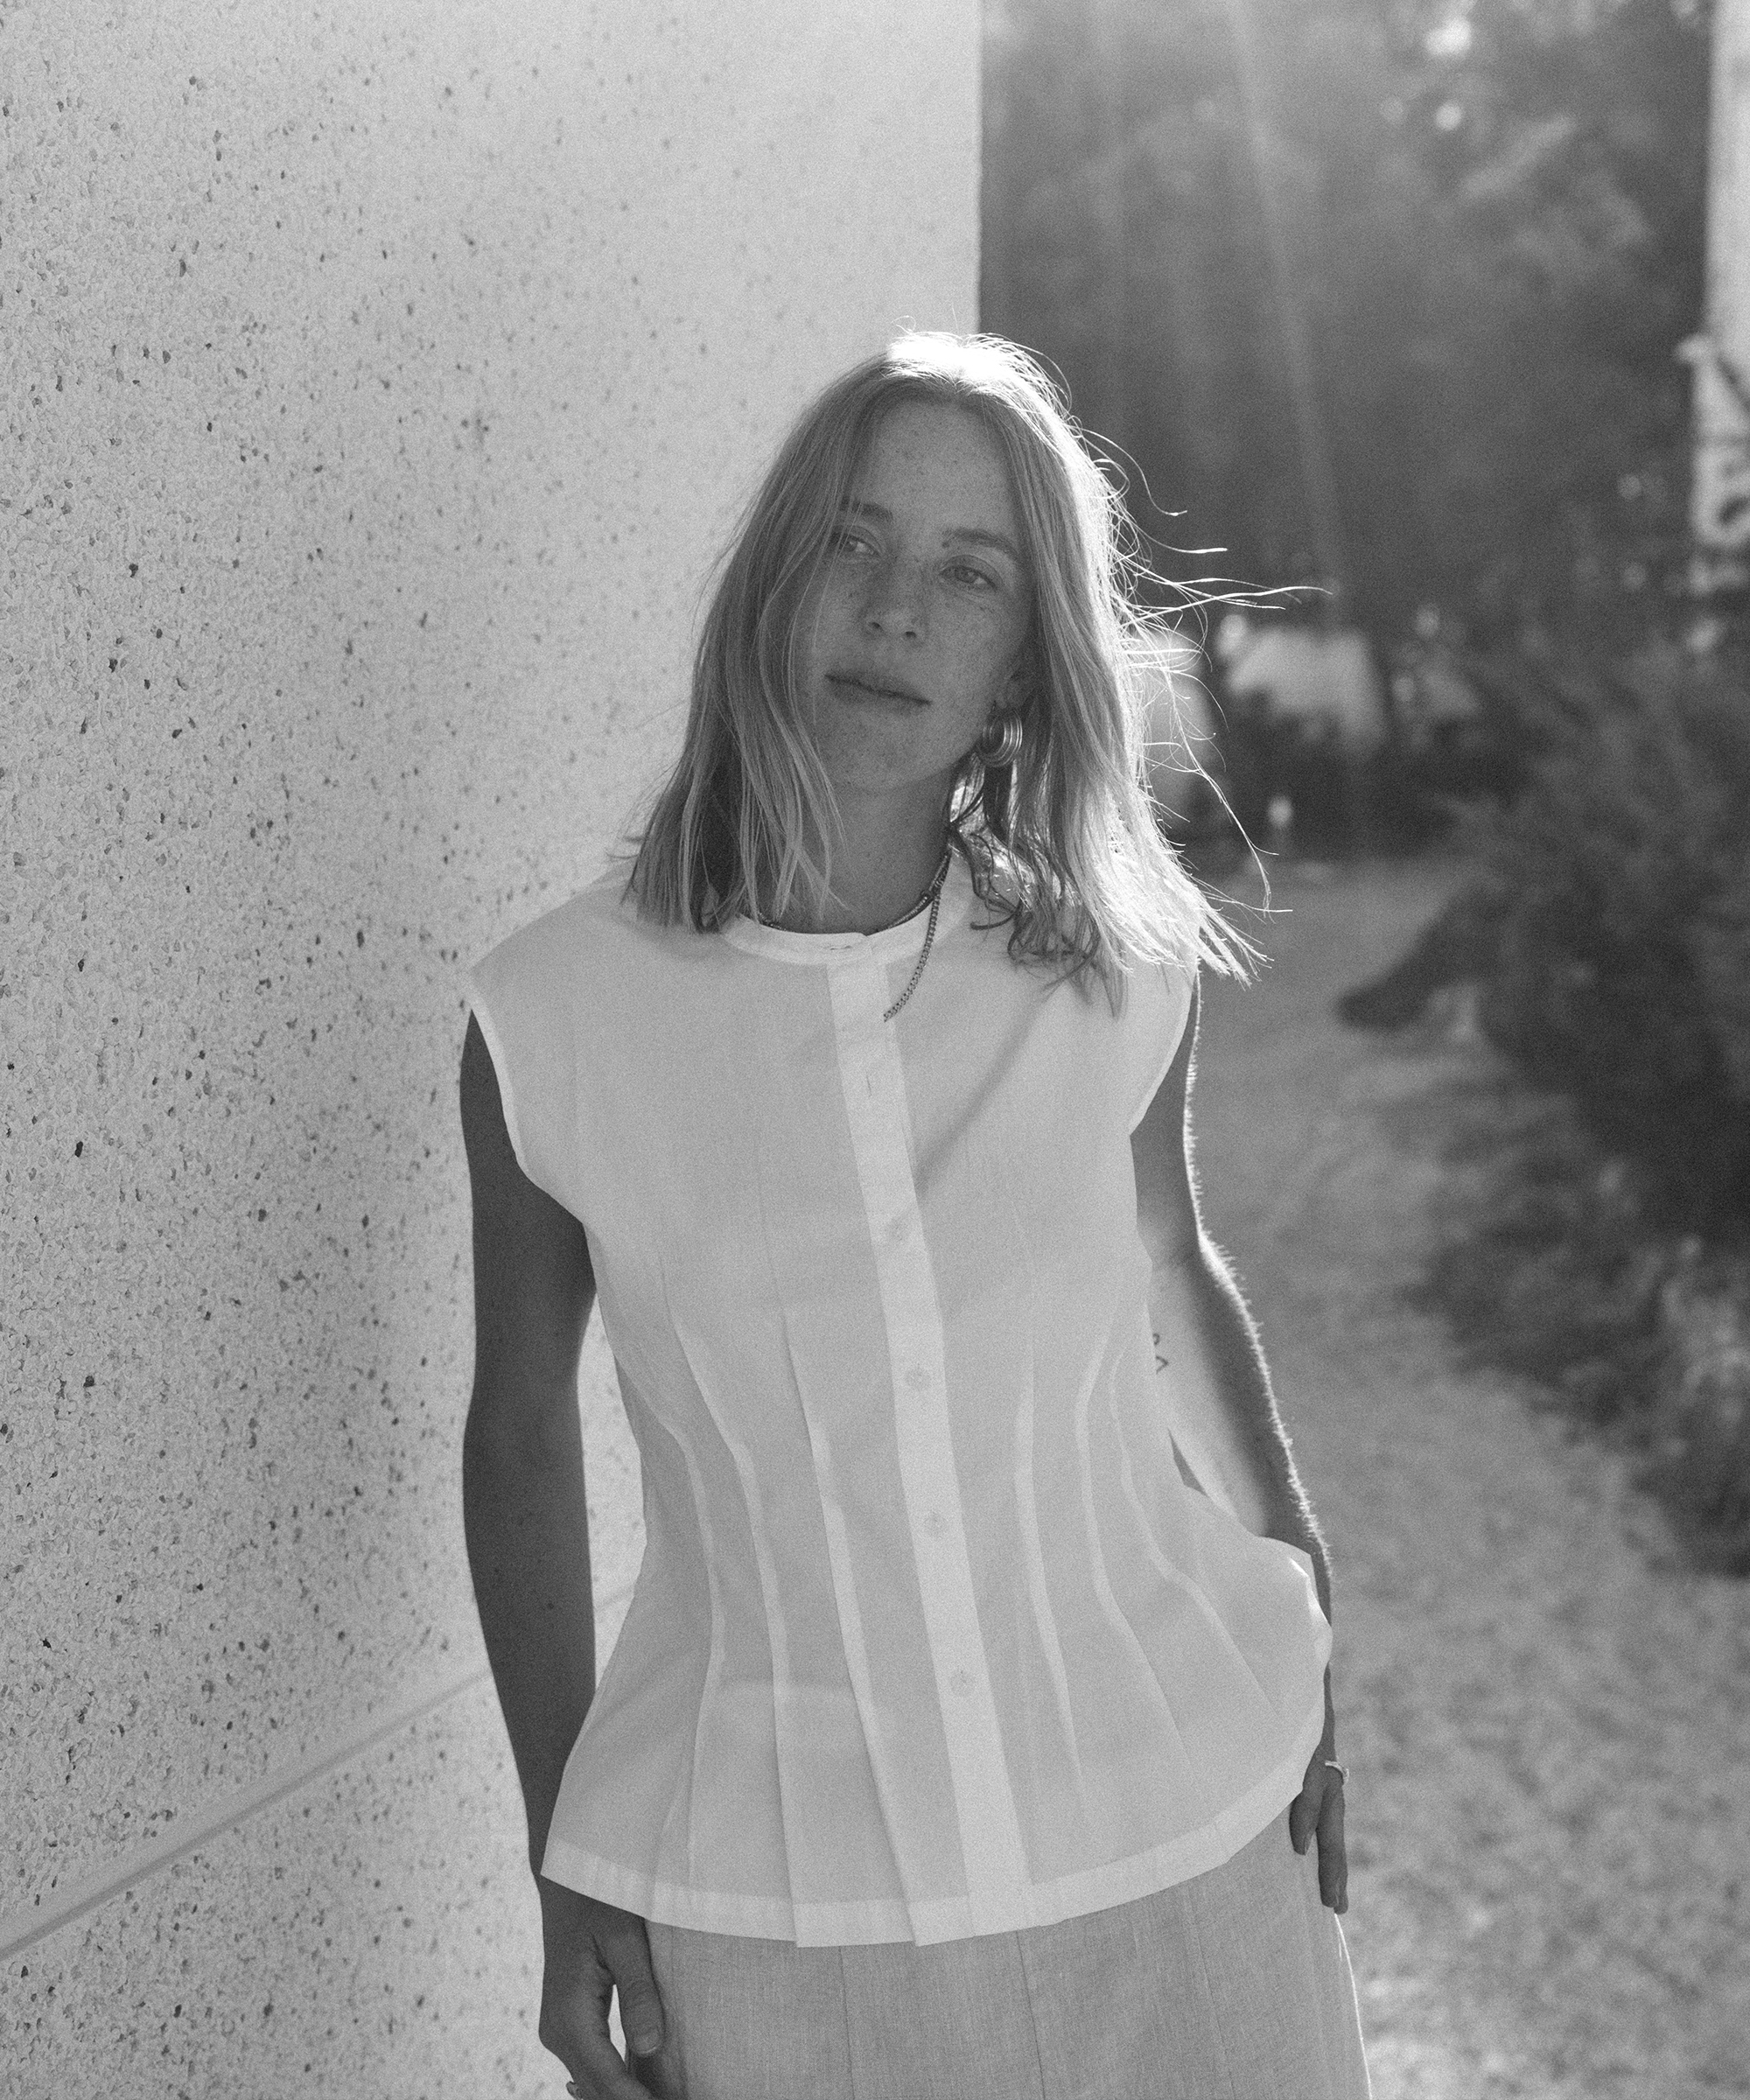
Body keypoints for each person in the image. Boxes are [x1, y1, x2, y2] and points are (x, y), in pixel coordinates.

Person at [459, 332, 1370, 2100]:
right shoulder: (550, 1018)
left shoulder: (1111, 973)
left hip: (1185, 1842)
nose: (896, 612)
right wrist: (563, 1856)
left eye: (972, 578)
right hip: (779, 1917)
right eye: (855, 545)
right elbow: (516, 1438)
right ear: (773, 582)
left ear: (1022, 666)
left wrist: (1309, 1611)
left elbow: (1169, 1272)